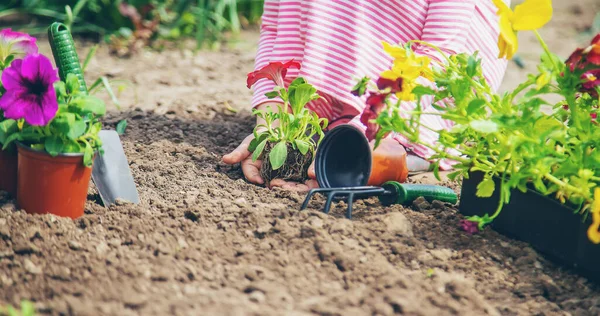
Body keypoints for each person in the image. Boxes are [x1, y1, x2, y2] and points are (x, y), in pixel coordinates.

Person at [222, 0, 510, 191]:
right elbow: (279, 26)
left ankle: (402, 146)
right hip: (342, 76)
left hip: (432, 84)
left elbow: (439, 54)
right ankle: (335, 117)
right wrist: (273, 123)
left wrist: (361, 138)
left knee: (375, 150)